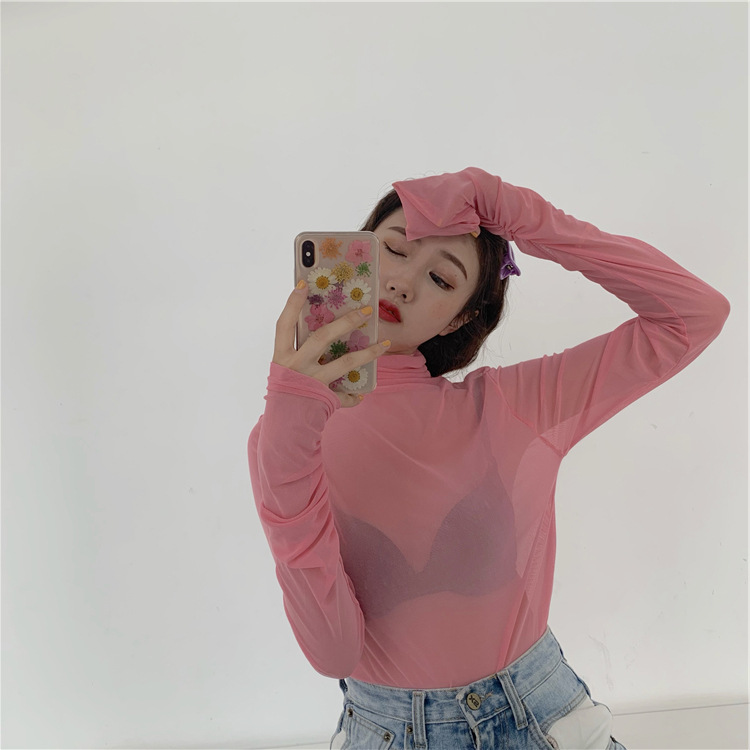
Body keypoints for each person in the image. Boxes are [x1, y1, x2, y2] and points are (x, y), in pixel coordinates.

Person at [247, 167, 730, 750]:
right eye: (393, 250)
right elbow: (334, 652)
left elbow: (694, 315)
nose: (403, 282)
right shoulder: (284, 438)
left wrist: (524, 215)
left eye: (441, 278)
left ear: (457, 318)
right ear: (354, 254)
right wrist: (290, 421)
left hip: (542, 716)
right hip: (390, 730)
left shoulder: (513, 405)